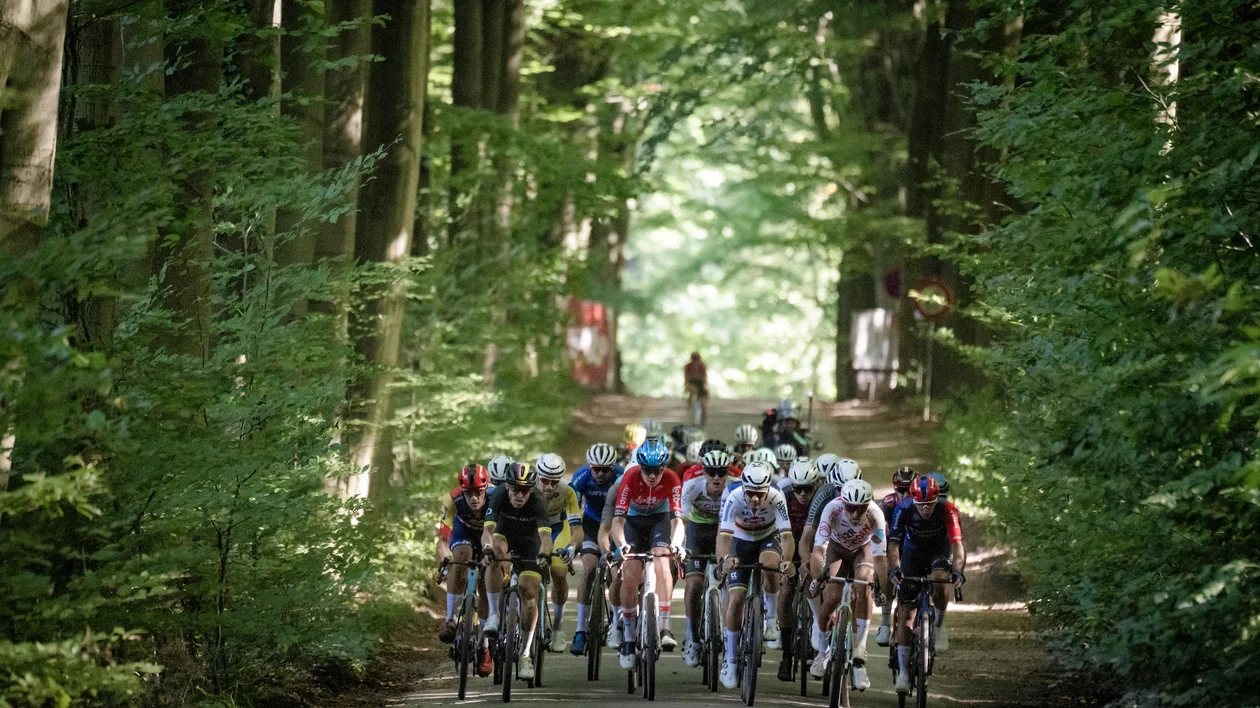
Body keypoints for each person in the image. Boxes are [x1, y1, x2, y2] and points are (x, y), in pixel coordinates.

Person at [716, 461, 794, 689]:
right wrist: (726, 559)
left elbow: (787, 536)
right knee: (737, 598)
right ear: (744, 488)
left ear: (768, 489)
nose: (755, 499)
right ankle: (730, 660)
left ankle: (771, 619)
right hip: (739, 540)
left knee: (771, 565)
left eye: (760, 494)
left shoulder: (777, 497)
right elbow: (723, 537)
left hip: (766, 538)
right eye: (751, 493)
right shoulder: (734, 496)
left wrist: (786, 560)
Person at [611, 439, 686, 669]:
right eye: (647, 470)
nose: (652, 476)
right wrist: (622, 544)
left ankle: (664, 625)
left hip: (658, 521)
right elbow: (617, 521)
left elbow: (676, 520)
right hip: (632, 522)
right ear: (639, 467)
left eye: (657, 471)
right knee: (631, 574)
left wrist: (676, 545)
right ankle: (629, 638)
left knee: (663, 558)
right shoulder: (630, 478)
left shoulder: (672, 479)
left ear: (665, 468)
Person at [888, 475, 966, 694]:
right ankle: (903, 672)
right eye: (921, 505)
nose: (925, 509)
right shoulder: (903, 509)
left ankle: (939, 626)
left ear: (936, 500)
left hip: (939, 552)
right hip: (912, 554)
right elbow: (893, 545)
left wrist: (958, 571)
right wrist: (895, 568)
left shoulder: (947, 509)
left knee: (941, 581)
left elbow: (957, 545)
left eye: (929, 505)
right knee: (906, 615)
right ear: (914, 500)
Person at [808, 479, 886, 690]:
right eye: (850, 508)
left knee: (863, 584)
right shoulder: (832, 509)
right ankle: (822, 651)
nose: (854, 513)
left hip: (863, 549)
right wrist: (818, 579)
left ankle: (860, 651)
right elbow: (818, 550)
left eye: (860, 508)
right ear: (843, 503)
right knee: (831, 596)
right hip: (837, 548)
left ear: (867, 505)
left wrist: (880, 587)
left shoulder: (876, 515)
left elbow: (880, 558)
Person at [482, 463, 553, 681]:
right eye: (514, 489)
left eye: (524, 490)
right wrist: (486, 547)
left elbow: (546, 538)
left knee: (528, 590)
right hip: (505, 534)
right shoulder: (499, 495)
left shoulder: (538, 500)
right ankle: (494, 615)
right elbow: (488, 530)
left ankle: (525, 654)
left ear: (531, 490)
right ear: (507, 486)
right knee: (495, 552)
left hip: (530, 542)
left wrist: (544, 554)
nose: (519, 495)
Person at [436, 464, 496, 676]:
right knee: (460, 557)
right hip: (463, 533)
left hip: (488, 537)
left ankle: (484, 648)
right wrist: (444, 562)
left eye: (478, 493)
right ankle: (450, 620)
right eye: (468, 493)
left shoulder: (495, 497)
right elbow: (443, 538)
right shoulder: (452, 499)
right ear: (462, 491)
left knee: (486, 582)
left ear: (486, 489)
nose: (473, 498)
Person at [679, 449, 737, 667]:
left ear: (727, 472)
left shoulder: (735, 486)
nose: (716, 477)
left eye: (721, 472)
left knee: (732, 583)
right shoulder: (692, 486)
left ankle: (729, 633)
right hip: (697, 530)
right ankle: (692, 637)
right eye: (711, 472)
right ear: (703, 472)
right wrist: (679, 545)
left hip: (725, 531)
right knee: (694, 583)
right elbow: (681, 521)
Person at [569, 443, 624, 655]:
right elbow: (572, 505)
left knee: (615, 574)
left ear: (612, 468)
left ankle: (617, 622)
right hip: (591, 524)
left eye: (605, 469)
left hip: (613, 525)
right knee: (590, 568)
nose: (600, 473)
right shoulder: (582, 476)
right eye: (596, 469)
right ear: (590, 467)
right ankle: (580, 630)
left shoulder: (620, 476)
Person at [774, 457, 821, 680]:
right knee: (785, 592)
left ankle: (819, 634)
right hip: (787, 541)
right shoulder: (782, 492)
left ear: (817, 484)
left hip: (814, 545)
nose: (803, 494)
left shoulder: (822, 498)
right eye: (798, 489)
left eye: (808, 488)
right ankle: (786, 655)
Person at [536, 452, 581, 652]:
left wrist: (571, 546)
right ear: (538, 476)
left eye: (554, 482)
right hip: (533, 529)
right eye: (545, 481)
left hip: (557, 530)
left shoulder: (568, 491)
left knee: (559, 572)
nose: (549, 486)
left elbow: (577, 529)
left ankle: (558, 625)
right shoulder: (527, 486)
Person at [876, 466, 917, 646]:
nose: (905, 493)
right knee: (886, 570)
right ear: (895, 489)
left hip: (912, 546)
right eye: (901, 490)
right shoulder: (888, 503)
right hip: (890, 544)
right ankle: (885, 624)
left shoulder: (921, 503)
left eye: (909, 489)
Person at [684, 352, 709, 426]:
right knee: (691, 396)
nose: (695, 361)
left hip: (701, 384)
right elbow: (686, 377)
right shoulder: (688, 366)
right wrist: (686, 386)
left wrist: (705, 385)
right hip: (691, 383)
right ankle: (690, 409)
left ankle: (703, 417)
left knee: (703, 402)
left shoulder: (702, 366)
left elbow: (705, 377)